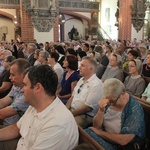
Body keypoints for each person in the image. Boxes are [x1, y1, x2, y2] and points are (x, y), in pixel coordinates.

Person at [0, 65, 79, 150]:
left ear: (38, 87)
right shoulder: (36, 105)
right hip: (22, 144)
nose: (22, 90)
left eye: (25, 85)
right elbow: (17, 128)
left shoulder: (57, 123)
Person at [85, 78, 145, 150]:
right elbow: (96, 126)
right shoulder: (110, 99)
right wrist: (101, 111)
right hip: (105, 138)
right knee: (85, 135)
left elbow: (123, 140)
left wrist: (100, 132)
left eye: (113, 101)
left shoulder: (134, 108)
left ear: (122, 94)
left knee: (87, 136)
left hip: (121, 147)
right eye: (108, 100)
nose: (110, 104)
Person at [66, 56, 103, 128]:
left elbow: (88, 108)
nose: (79, 67)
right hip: (73, 111)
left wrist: (70, 114)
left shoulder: (97, 84)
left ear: (91, 69)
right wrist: (66, 110)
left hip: (84, 116)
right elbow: (72, 97)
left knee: (66, 126)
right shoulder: (81, 80)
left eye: (82, 65)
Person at [0, 58, 30, 126]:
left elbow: (2, 114)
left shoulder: (27, 94)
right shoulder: (16, 86)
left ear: (23, 75)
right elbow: (3, 102)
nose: (10, 77)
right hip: (5, 122)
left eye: (13, 75)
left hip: (12, 128)